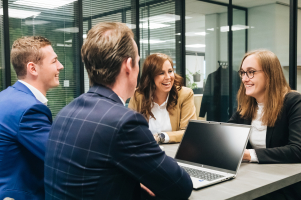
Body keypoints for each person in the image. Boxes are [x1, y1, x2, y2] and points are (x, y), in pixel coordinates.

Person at [44, 22, 192, 200]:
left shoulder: (65, 112)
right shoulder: (123, 122)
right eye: (137, 62)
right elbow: (181, 186)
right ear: (129, 65)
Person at [228, 49, 301, 200]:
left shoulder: (293, 101)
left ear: (270, 75)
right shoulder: (246, 106)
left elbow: (298, 150)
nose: (244, 78)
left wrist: (249, 155)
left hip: (286, 187)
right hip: (256, 181)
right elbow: (227, 136)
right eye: (242, 72)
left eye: (251, 72)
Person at [0, 36, 64, 199]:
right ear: (33, 68)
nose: (60, 66)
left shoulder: (5, 97)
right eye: (54, 61)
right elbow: (60, 157)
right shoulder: (29, 109)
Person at [129, 53, 197, 143]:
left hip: (174, 153)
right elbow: (129, 129)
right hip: (145, 152)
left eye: (170, 71)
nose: (168, 77)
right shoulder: (138, 96)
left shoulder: (185, 94)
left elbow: (189, 132)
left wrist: (161, 137)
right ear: (150, 76)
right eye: (161, 73)